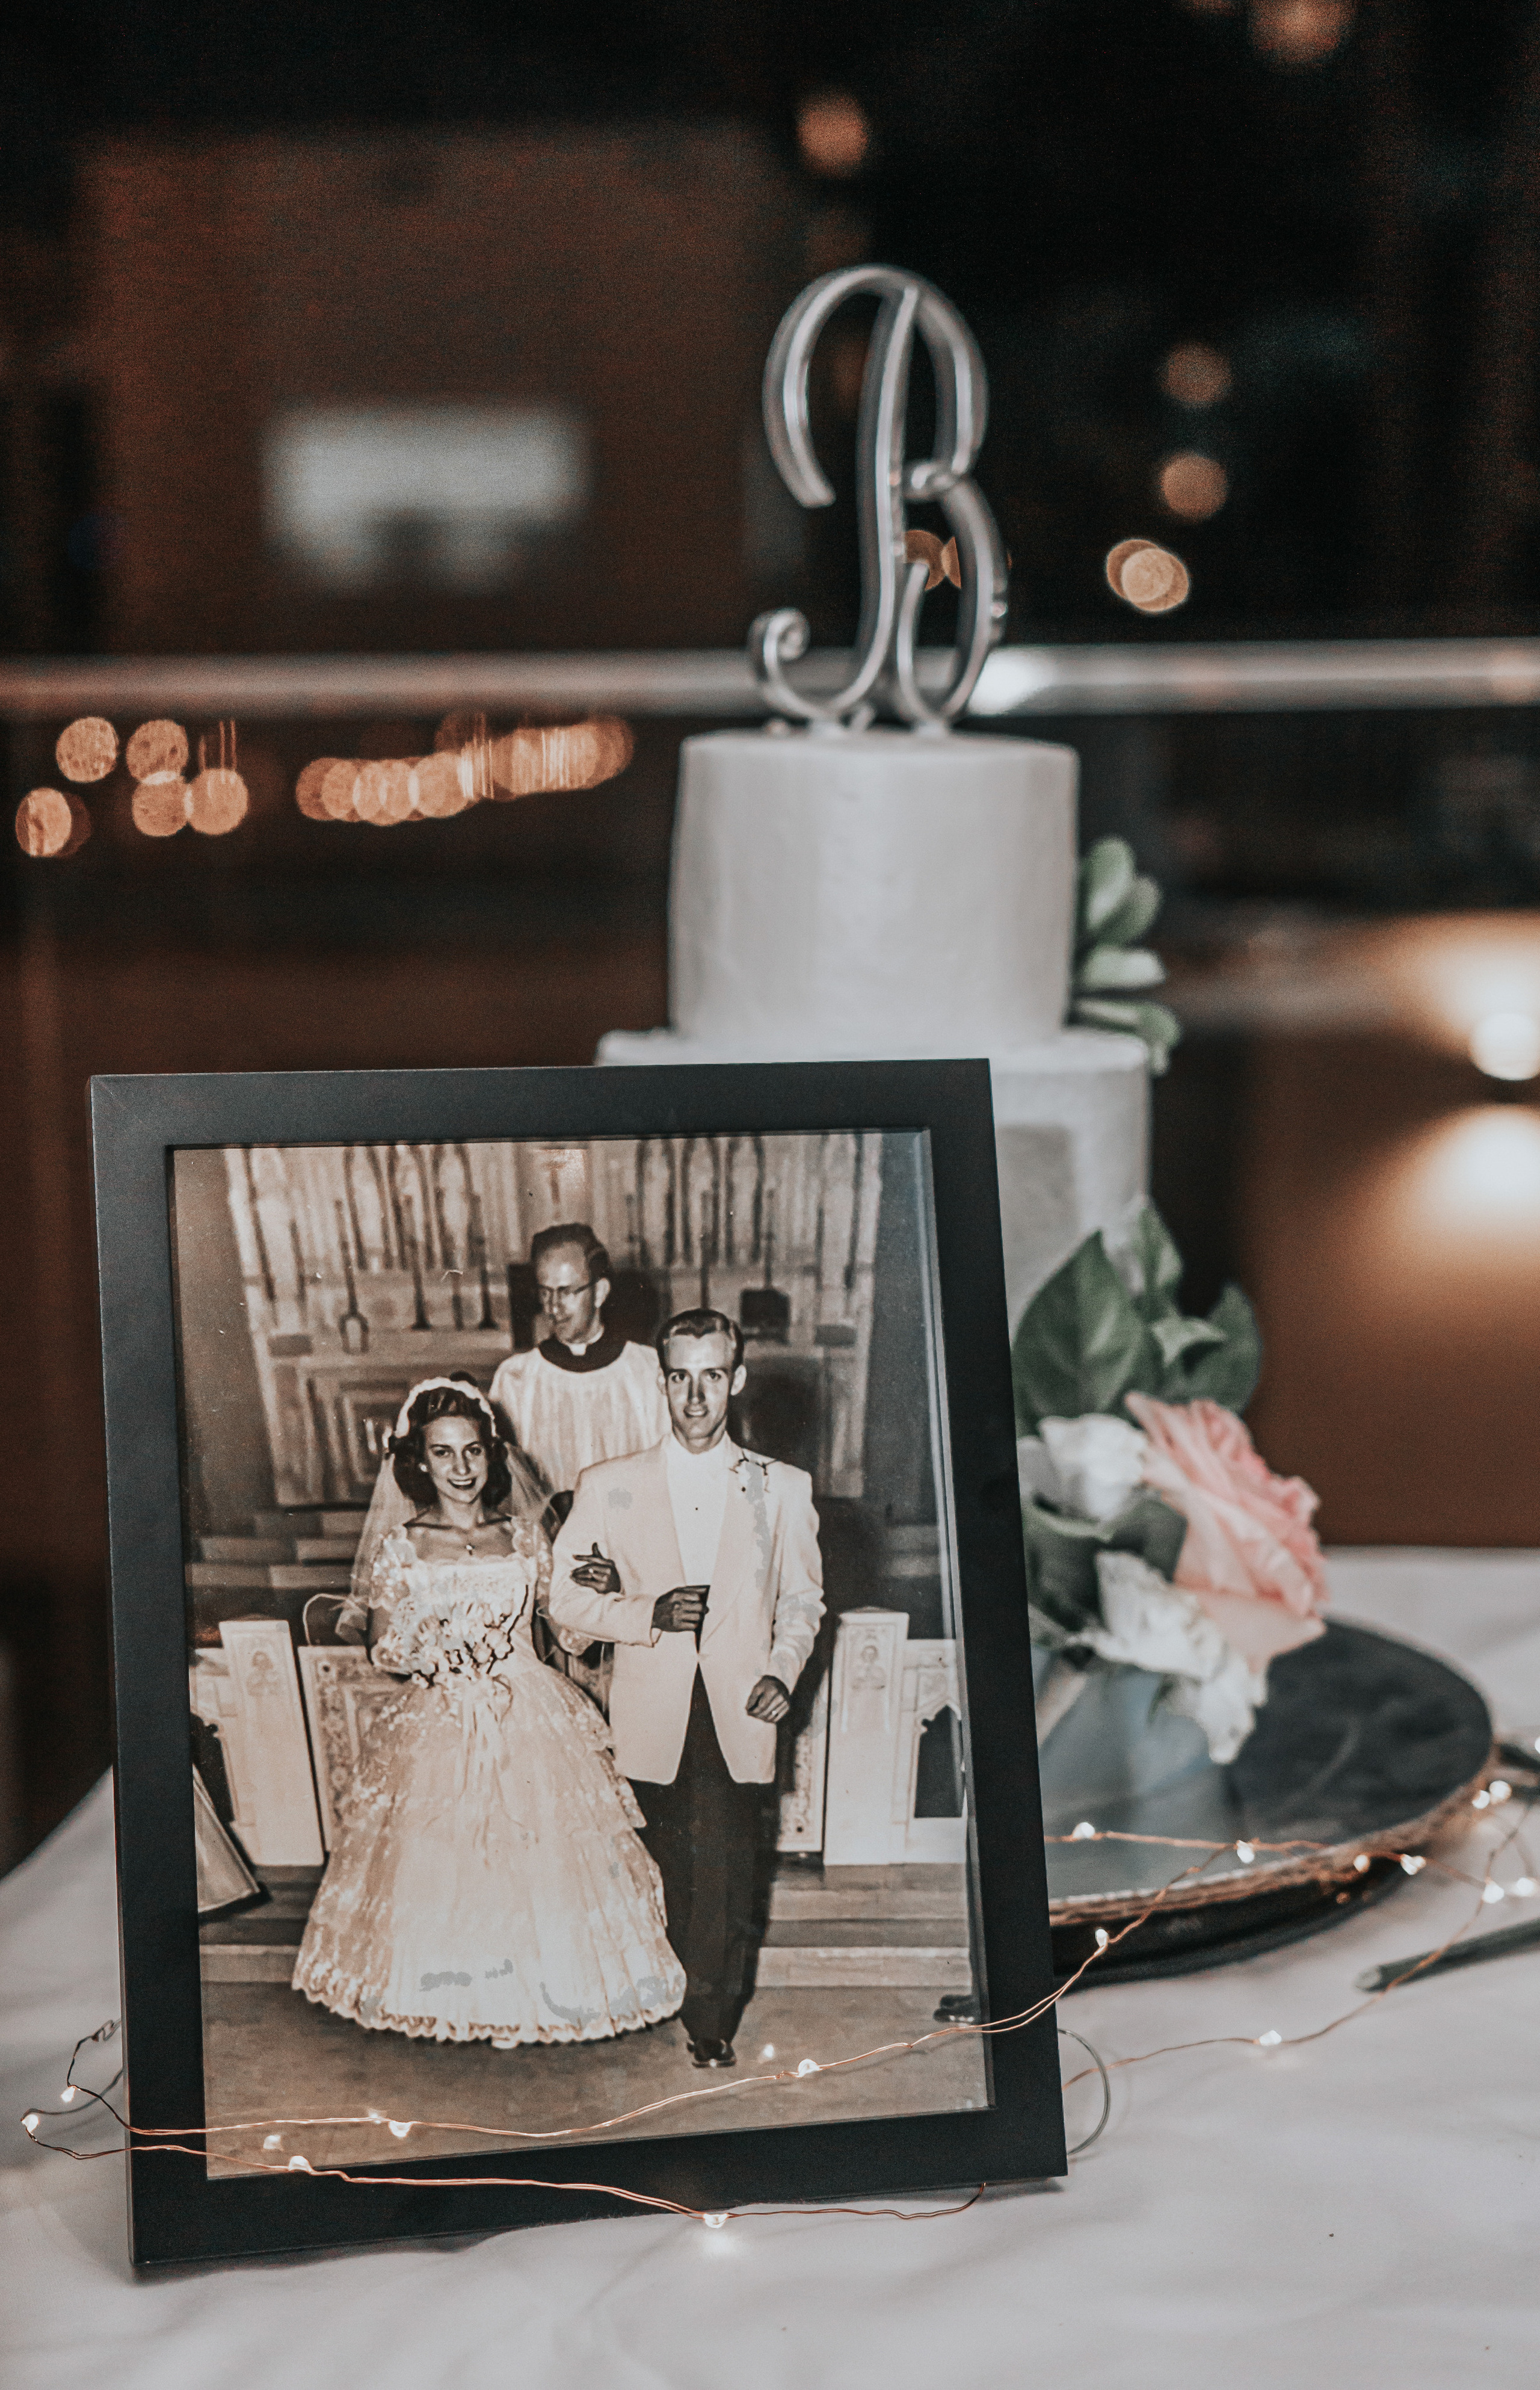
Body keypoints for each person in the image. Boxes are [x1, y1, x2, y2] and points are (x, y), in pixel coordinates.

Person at [292, 1375, 684, 2045]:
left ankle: (551, 1992)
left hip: (527, 1705)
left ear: (490, 1453)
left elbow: (562, 1637)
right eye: (443, 1454)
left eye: (472, 1451)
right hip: (444, 1712)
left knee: (542, 1857)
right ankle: (456, 1996)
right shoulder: (404, 1545)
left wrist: (600, 1589)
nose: (461, 1469)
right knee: (448, 1859)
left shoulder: (525, 1537)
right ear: (419, 1461)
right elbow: (386, 1645)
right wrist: (437, 1655)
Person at [549, 1311, 824, 2069]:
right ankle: (686, 1980)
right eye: (680, 1376)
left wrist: (782, 1669)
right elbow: (564, 1602)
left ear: (735, 1381)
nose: (696, 1395)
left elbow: (802, 1601)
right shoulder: (609, 1487)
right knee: (674, 1866)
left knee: (729, 1868)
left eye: (711, 1376)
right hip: (651, 1711)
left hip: (739, 1707)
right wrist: (647, 1612)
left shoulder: (785, 1488)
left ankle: (712, 2017)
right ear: (661, 1381)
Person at [490, 1223, 668, 1508]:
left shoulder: (648, 1370)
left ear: (600, 1292)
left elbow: (664, 1473)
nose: (553, 1307)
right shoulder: (516, 1378)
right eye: (545, 1292)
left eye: (566, 1292)